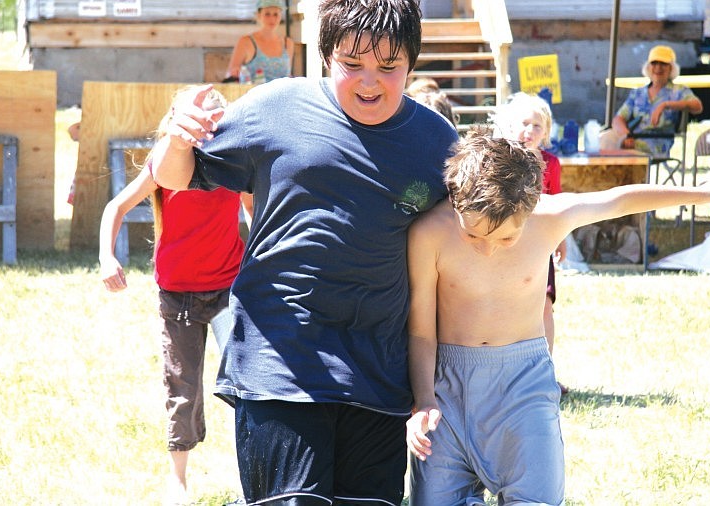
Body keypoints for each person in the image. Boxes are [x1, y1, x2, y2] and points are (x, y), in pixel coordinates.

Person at [151, 0, 459, 504]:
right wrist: (177, 136)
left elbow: (464, 246)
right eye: (352, 64)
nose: (369, 82)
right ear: (325, 56)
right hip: (281, 367)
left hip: (380, 376)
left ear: (412, 63)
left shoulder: (436, 144)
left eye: (389, 67)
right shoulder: (274, 107)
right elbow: (175, 177)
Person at [405, 128, 710, 505]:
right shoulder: (429, 233)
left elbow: (619, 199)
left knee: (537, 498)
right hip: (448, 388)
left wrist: (707, 192)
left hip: (522, 387)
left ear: (530, 208)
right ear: (457, 202)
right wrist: (424, 399)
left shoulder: (550, 217)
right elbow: (421, 331)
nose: (489, 250)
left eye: (506, 239)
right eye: (474, 236)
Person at [98, 87, 251, 505]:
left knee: (246, 379)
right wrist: (106, 257)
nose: (208, 133)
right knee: (182, 388)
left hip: (227, 290)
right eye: (201, 124)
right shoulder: (165, 163)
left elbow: (256, 215)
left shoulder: (233, 163)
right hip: (178, 294)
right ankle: (178, 481)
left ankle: (250, 475)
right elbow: (115, 207)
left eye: (216, 125)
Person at [491, 91, 568, 393]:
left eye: (537, 125)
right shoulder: (503, 159)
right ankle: (507, 372)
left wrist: (559, 239)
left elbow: (559, 204)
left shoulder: (551, 163)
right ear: (511, 126)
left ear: (546, 131)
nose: (529, 131)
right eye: (524, 123)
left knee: (544, 306)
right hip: (506, 244)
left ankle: (544, 372)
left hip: (540, 246)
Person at [612, 45, 703, 158]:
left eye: (663, 64)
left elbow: (697, 106)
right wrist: (626, 135)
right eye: (654, 63)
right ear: (648, 67)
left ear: (671, 68)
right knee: (606, 140)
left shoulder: (679, 90)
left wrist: (666, 105)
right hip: (632, 137)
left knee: (623, 149)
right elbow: (618, 119)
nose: (658, 68)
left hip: (658, 142)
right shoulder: (638, 92)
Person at [225, 0, 294, 83]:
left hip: (283, 95)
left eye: (276, 14)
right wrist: (235, 73)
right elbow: (229, 75)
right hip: (255, 94)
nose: (272, 19)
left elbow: (288, 75)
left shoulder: (288, 43)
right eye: (267, 14)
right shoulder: (246, 42)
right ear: (258, 15)